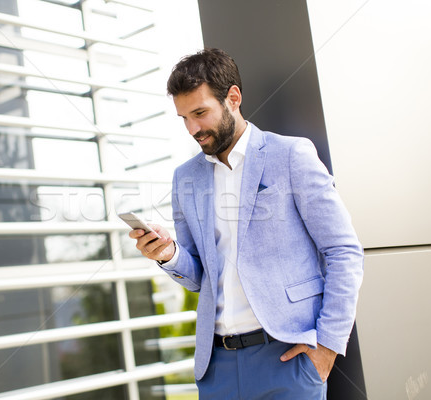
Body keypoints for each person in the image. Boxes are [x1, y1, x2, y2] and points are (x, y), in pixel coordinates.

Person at [129, 48, 363, 399]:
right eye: (184, 118)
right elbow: (197, 276)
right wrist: (168, 254)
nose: (193, 128)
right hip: (217, 368)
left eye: (200, 113)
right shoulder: (185, 178)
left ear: (233, 98)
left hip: (287, 358)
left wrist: (328, 346)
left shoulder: (290, 156)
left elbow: (344, 251)